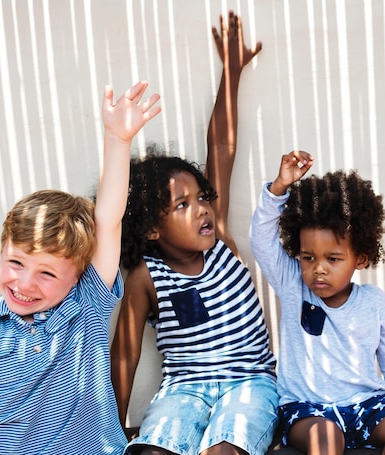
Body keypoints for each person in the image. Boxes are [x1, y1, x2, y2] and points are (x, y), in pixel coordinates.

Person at [111, 11, 278, 455]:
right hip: (183, 390)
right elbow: (125, 355)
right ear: (150, 228)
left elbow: (221, 148)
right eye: (182, 205)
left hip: (251, 385)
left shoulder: (220, 236)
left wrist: (232, 70)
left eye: (201, 197)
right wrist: (111, 428)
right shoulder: (146, 277)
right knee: (153, 450)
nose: (202, 209)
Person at [0, 81, 160, 455]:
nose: (25, 282)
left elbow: (107, 219)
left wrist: (118, 142)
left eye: (47, 273)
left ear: (78, 275)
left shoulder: (86, 306)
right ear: (2, 250)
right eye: (15, 262)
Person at [249, 151, 385, 455]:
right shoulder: (293, 285)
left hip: (367, 405)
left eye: (333, 259)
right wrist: (278, 189)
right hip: (309, 411)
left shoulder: (374, 302)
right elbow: (261, 241)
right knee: (325, 437)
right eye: (308, 257)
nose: (318, 268)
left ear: (361, 258)